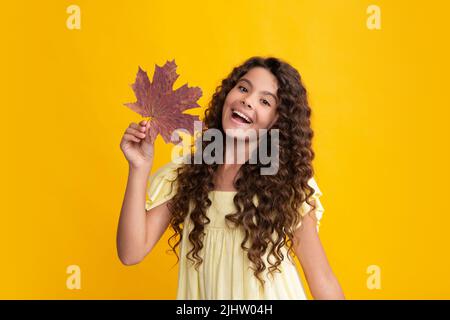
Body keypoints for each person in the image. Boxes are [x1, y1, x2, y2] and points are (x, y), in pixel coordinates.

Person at [116, 56, 345, 300]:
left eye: (265, 101)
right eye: (243, 88)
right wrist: (139, 168)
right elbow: (131, 252)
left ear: (276, 121)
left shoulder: (285, 185)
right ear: (227, 94)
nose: (247, 100)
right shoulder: (188, 175)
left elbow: (321, 278)